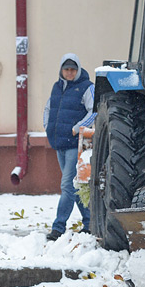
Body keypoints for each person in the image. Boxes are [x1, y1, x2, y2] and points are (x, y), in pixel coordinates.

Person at [43, 53, 94, 241]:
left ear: (78, 70)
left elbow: (94, 111)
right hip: (59, 144)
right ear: (61, 70)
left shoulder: (87, 87)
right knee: (75, 186)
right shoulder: (57, 87)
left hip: (75, 145)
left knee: (67, 185)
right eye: (66, 69)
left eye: (73, 69)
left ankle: (58, 227)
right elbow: (49, 108)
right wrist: (47, 126)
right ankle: (89, 223)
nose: (70, 72)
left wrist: (77, 128)